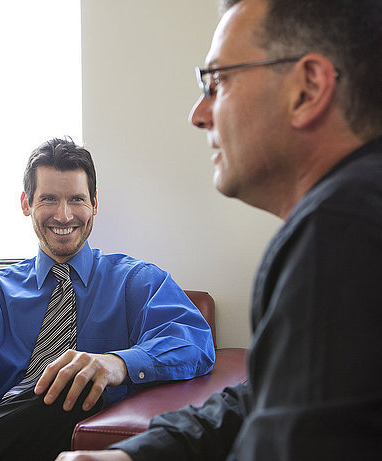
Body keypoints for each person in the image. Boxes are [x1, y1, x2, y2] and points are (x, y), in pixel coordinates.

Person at [56, 0, 382, 459]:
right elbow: (267, 397)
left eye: (217, 82)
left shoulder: (338, 234)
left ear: (307, 89)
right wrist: (133, 455)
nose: (199, 113)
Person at [0, 138, 215, 461]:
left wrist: (116, 363)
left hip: (79, 440)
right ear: (26, 203)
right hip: (2, 431)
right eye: (49, 199)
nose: (64, 216)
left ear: (94, 203)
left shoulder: (136, 281)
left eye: (76, 199)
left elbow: (193, 339)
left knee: (77, 383)